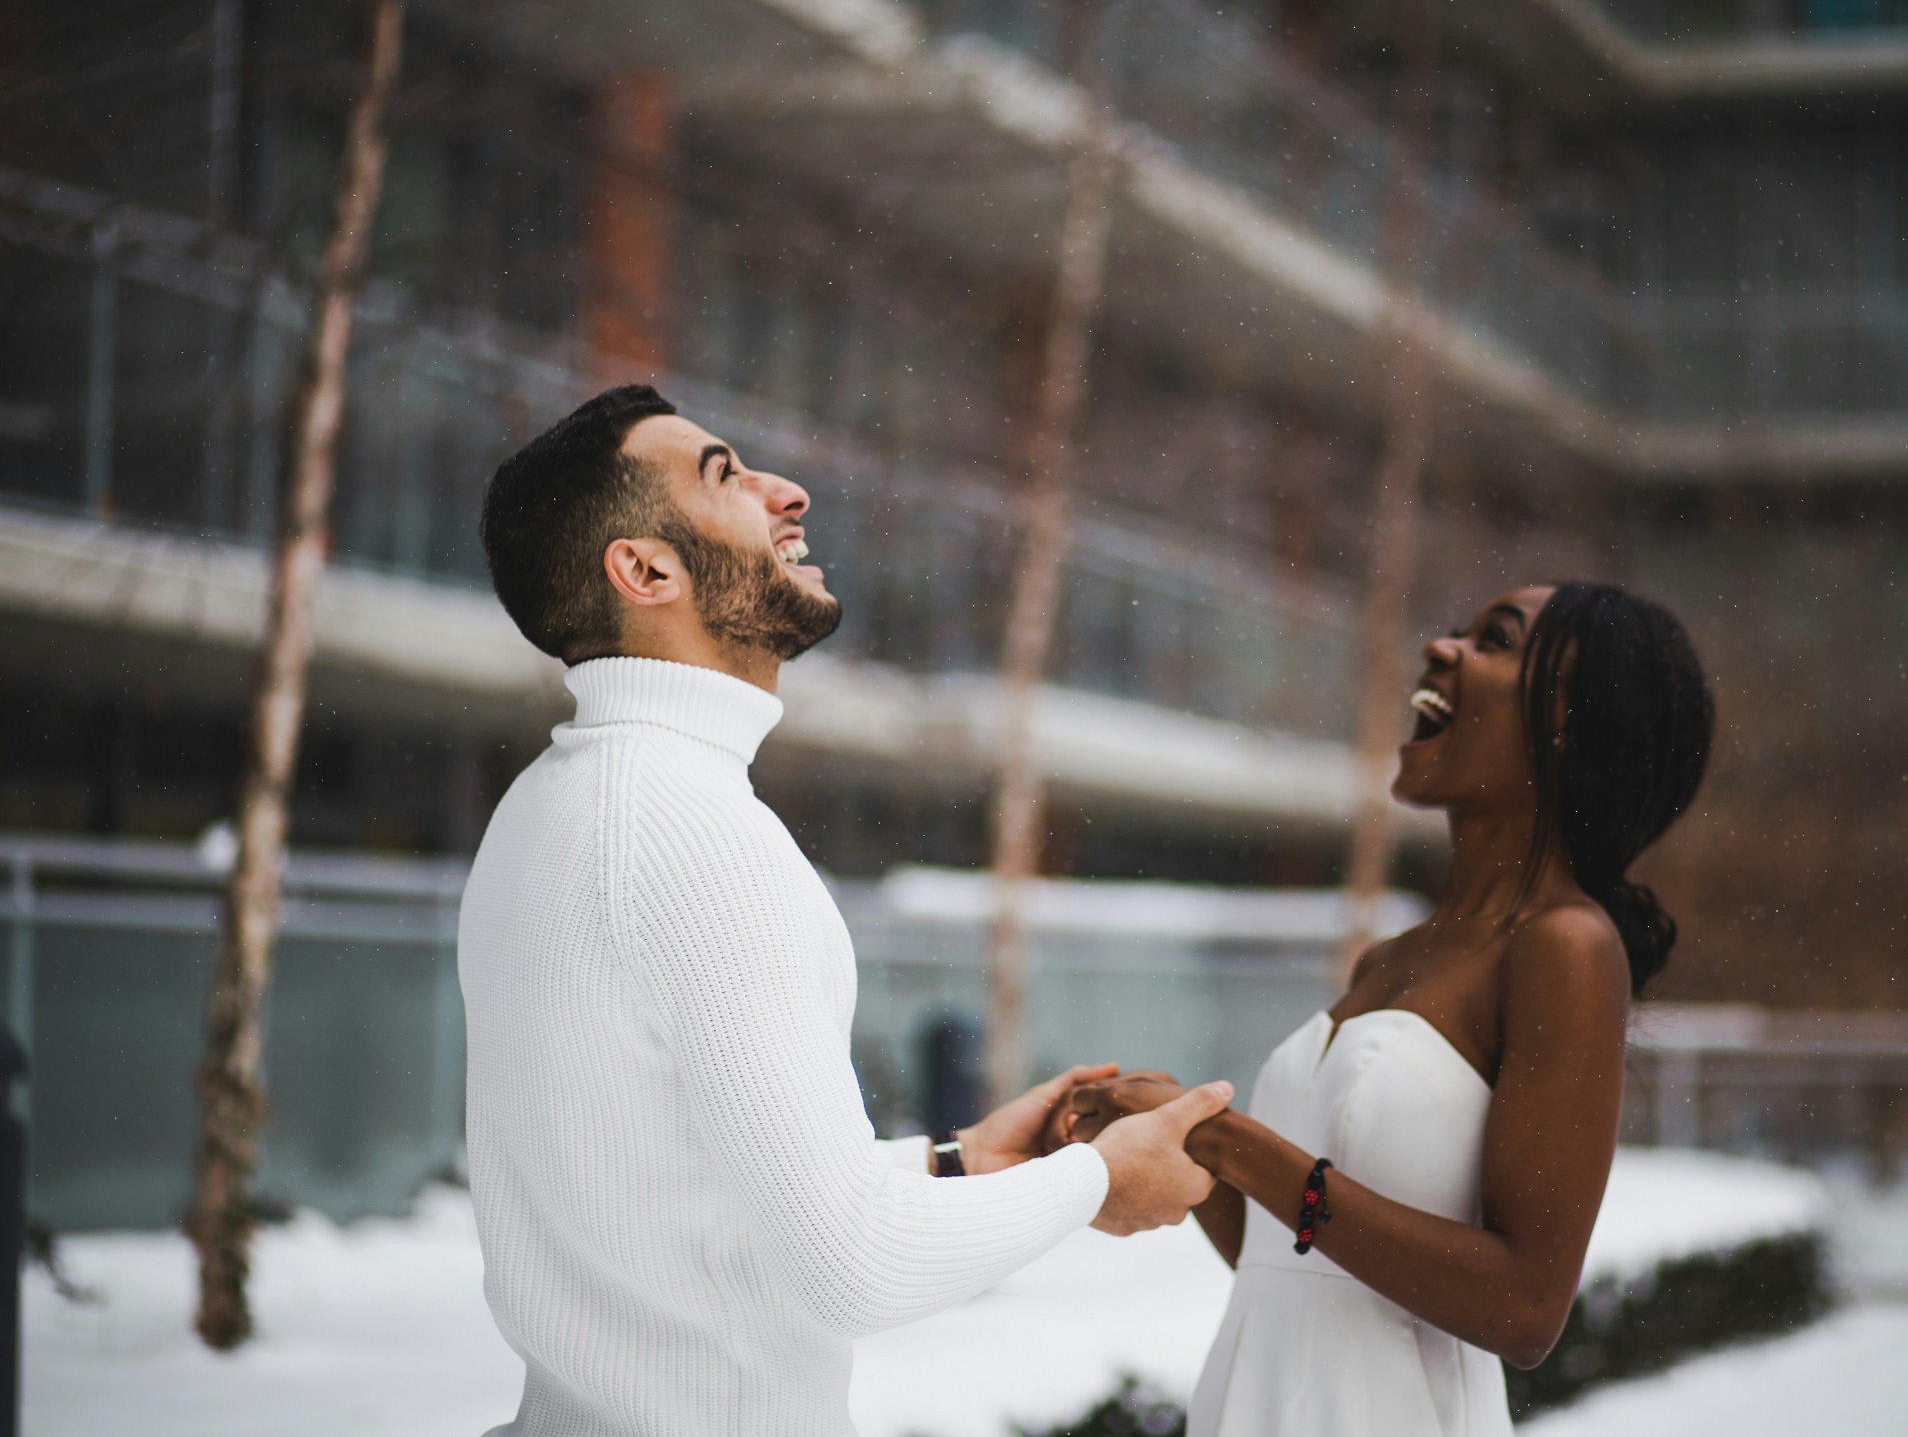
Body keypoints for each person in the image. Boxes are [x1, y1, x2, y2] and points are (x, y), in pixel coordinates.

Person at [459, 384, 1232, 1437]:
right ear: (644, 569)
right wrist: (1098, 1177)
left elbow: (679, 1190)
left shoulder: (548, 810)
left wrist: (954, 1161)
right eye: (724, 476)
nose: (790, 491)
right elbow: (850, 1265)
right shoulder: (694, 834)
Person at [1066, 583, 1714, 1436]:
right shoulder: (1392, 956)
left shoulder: (1565, 947)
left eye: (1495, 640)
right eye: (1455, 629)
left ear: (1567, 716)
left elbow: (1524, 1308)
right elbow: (1295, 1266)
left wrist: (1232, 1142)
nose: (1439, 650)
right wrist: (1178, 1139)